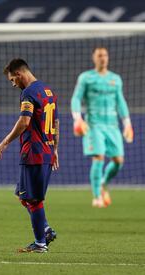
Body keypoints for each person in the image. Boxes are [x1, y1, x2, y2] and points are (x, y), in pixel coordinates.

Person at [0, 58, 59, 253]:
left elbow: (24, 122)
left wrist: (5, 141)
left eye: (12, 80)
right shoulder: (48, 92)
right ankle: (45, 230)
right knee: (23, 196)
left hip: (34, 153)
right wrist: (55, 149)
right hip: (47, 151)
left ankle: (40, 243)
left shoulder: (29, 92)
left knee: (33, 200)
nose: (13, 84)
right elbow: (56, 123)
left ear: (19, 74)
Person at [71, 46, 134, 208]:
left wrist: (127, 123)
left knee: (118, 161)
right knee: (98, 157)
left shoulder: (115, 79)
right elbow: (76, 99)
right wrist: (77, 119)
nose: (103, 58)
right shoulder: (86, 78)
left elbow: (121, 102)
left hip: (112, 125)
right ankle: (97, 196)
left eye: (105, 55)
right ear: (94, 58)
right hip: (94, 125)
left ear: (108, 57)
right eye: (99, 55)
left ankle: (103, 182)